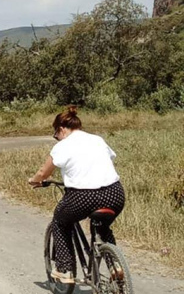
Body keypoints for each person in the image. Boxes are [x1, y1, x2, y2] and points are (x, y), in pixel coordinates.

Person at [28, 105, 125, 284]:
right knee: (102, 226)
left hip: (83, 196)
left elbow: (43, 173)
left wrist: (34, 181)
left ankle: (65, 269)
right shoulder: (97, 139)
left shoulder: (62, 146)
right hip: (114, 193)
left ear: (61, 129)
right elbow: (107, 159)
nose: (57, 138)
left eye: (55, 135)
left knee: (60, 221)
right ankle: (115, 266)